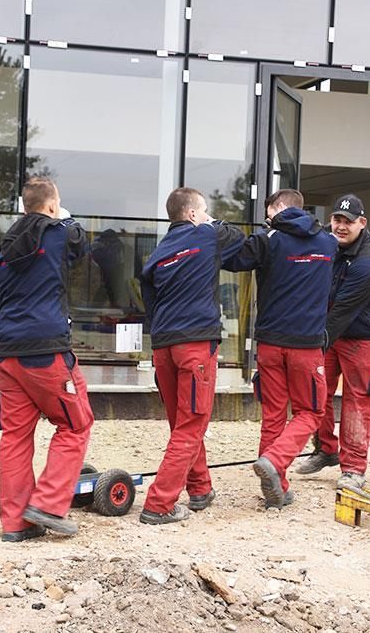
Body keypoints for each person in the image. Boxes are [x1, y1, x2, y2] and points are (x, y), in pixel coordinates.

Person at [0, 176, 93, 542]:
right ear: (51, 206)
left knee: (15, 436)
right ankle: (48, 504)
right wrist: (64, 216)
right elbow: (81, 243)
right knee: (76, 425)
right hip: (46, 352)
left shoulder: (3, 251)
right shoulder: (59, 234)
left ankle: (16, 524)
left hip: (7, 353)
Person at [138, 188, 245, 524]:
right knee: (192, 423)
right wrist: (212, 222)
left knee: (181, 422)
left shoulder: (158, 253)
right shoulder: (207, 236)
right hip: (196, 343)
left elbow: (150, 303)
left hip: (163, 346)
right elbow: (237, 237)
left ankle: (200, 489)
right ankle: (159, 504)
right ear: (194, 214)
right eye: (204, 210)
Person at [226, 189, 336, 508]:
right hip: (306, 346)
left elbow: (233, 259)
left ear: (276, 208)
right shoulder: (328, 243)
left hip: (270, 344)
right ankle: (275, 463)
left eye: (268, 213)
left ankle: (277, 488)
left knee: (273, 415)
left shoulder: (268, 241)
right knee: (310, 412)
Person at [297, 194, 370, 490]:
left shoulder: (369, 262)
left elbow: (342, 311)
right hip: (336, 332)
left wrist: (312, 346)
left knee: (356, 403)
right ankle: (326, 449)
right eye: (337, 220)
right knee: (317, 392)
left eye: (348, 222)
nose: (341, 226)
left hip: (366, 339)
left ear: (362, 223)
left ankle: (353, 469)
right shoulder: (330, 246)